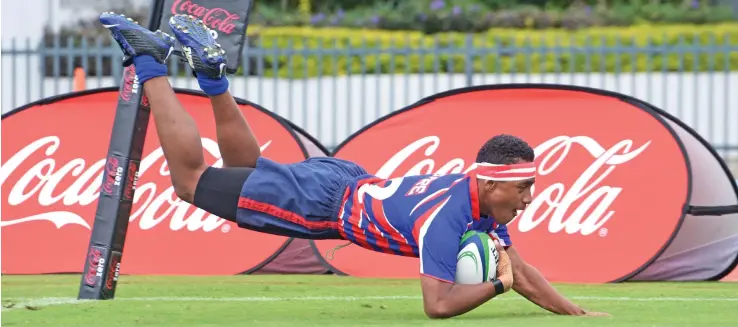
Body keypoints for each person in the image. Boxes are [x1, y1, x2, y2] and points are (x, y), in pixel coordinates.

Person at [99, 12, 610, 319]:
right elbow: (438, 306)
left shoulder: (476, 201)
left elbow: (519, 268)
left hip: (345, 180)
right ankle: (150, 62)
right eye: (522, 189)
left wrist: (576, 313)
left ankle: (212, 77)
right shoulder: (449, 219)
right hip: (327, 204)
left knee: (246, 169)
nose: (528, 199)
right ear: (490, 183)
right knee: (191, 183)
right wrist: (495, 287)